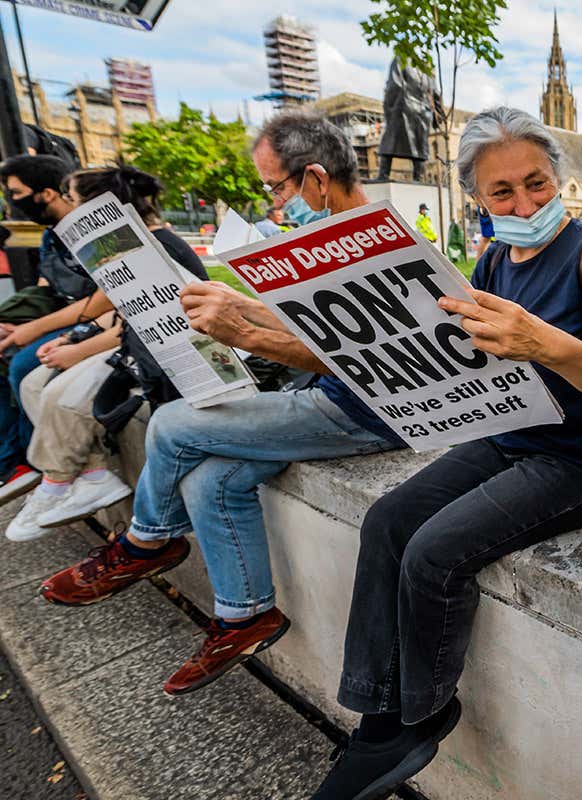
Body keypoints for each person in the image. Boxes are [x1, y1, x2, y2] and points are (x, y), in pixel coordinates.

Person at [312, 107, 582, 799]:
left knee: (435, 553)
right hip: (507, 434)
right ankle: (376, 719)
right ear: (477, 198)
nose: (525, 205)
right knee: (386, 521)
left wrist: (540, 341)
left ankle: (422, 714)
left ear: (559, 179)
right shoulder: (492, 259)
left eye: (537, 184)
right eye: (503, 192)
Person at [38, 112, 405, 696]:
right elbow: (312, 330)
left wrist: (248, 333)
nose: (275, 203)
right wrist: (239, 309)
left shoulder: (373, 241)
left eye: (276, 188)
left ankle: (145, 542)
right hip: (327, 398)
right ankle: (244, 617)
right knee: (210, 482)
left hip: (366, 414)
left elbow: (360, 361)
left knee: (171, 424)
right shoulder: (324, 236)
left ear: (315, 177)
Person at [8, 166, 209, 541]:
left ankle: (58, 480)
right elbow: (119, 310)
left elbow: (146, 321)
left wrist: (80, 348)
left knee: (59, 396)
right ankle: (89, 476)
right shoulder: (126, 243)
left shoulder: (155, 245)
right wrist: (72, 339)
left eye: (72, 199)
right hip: (131, 342)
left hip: (156, 352)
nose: (68, 207)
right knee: (33, 383)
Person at [0, 155, 117, 504]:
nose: (11, 201)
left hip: (90, 321)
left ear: (47, 193)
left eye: (15, 193)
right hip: (69, 317)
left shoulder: (96, 234)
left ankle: (35, 463)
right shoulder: (52, 236)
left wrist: (35, 331)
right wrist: (20, 323)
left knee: (24, 366)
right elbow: (46, 290)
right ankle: (15, 462)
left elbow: (102, 302)